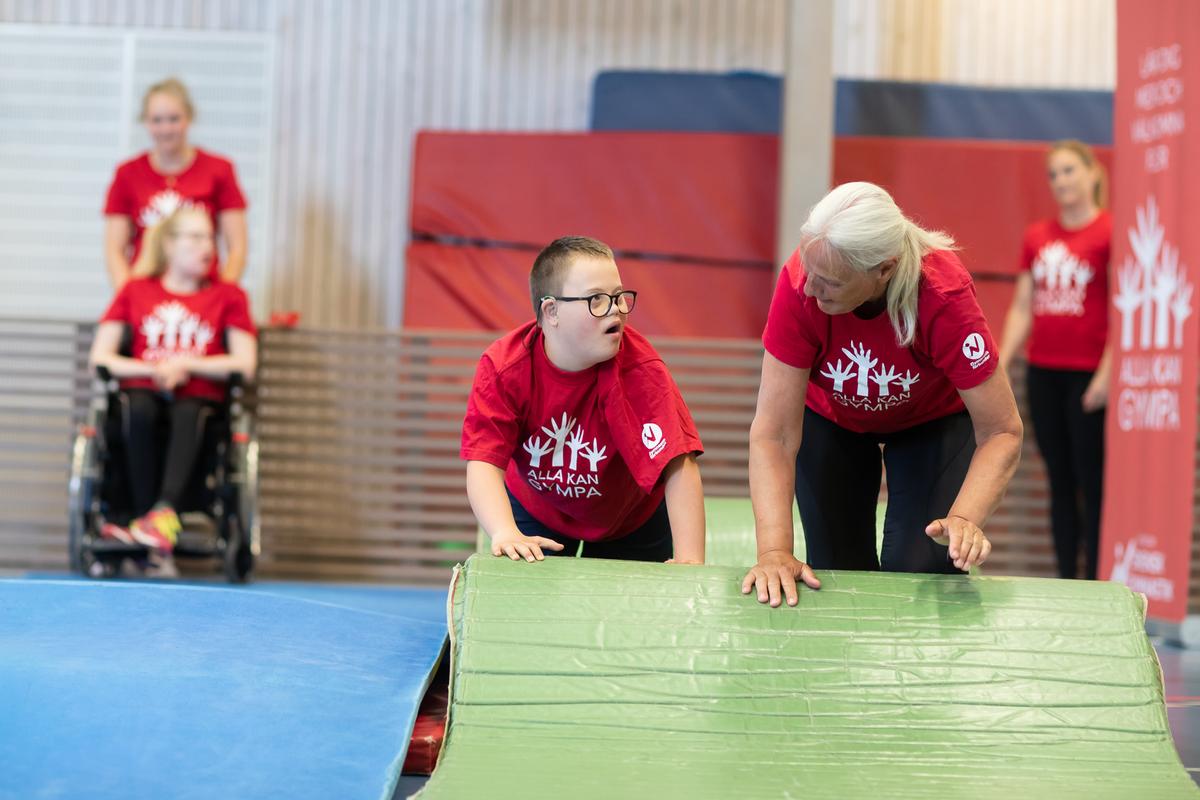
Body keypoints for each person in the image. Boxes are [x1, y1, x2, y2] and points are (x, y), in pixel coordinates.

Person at [741, 182, 1023, 607]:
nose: (812, 290)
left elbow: (1003, 430)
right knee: (838, 576)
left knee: (922, 573)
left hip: (932, 423)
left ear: (884, 269)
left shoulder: (943, 296)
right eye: (809, 271)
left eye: (831, 282)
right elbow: (774, 434)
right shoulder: (800, 283)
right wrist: (774, 552)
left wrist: (965, 517)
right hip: (832, 422)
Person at [461, 235, 706, 564]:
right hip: (538, 508)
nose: (616, 310)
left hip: (630, 519)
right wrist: (504, 531)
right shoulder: (504, 368)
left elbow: (678, 463)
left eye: (619, 297)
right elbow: (483, 462)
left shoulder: (641, 371)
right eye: (597, 300)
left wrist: (691, 560)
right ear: (552, 311)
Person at [90, 207, 257, 574]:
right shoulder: (135, 291)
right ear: (169, 244)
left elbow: (245, 362)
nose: (208, 246)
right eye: (195, 237)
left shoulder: (229, 296)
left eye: (210, 237)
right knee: (138, 407)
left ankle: (160, 517)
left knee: (189, 410)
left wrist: (186, 365)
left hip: (199, 404)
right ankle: (142, 519)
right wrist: (153, 368)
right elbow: (100, 356)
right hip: (142, 396)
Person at [999, 140, 1111, 580]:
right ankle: (1068, 578)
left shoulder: (1109, 232)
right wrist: (1001, 362)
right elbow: (1023, 307)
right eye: (1054, 174)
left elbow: (1124, 306)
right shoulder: (1037, 237)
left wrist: (1107, 372)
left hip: (1088, 375)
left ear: (1092, 173)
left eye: (1069, 170)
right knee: (1059, 482)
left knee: (1091, 481)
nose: (1062, 181)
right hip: (1043, 373)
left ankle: (1098, 580)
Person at [103, 77, 248, 289]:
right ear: (146, 122)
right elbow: (114, 249)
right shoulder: (127, 174)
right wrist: (129, 299)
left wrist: (222, 297)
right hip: (145, 290)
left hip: (202, 291)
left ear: (188, 118)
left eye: (173, 119)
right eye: (157, 120)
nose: (166, 129)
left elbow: (237, 246)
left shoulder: (219, 170)